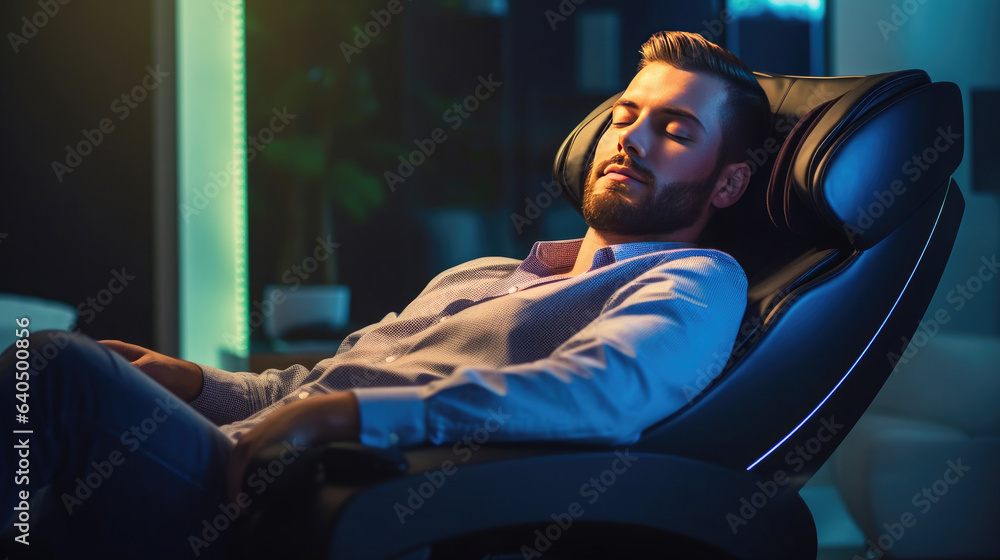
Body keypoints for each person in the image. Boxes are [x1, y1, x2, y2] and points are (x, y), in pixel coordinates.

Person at [1, 30, 770, 559]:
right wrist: (197, 383)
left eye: (674, 130)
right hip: (237, 456)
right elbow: (313, 385)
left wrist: (355, 416)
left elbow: (605, 394)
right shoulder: (479, 275)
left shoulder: (693, 279)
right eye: (625, 115)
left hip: (310, 508)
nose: (629, 139)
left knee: (56, 375)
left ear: (729, 180)